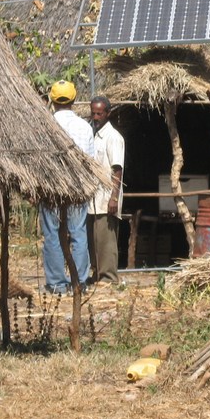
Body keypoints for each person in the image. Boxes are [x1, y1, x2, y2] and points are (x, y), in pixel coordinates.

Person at [40, 80, 94, 294]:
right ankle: (79, 282)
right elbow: (90, 161)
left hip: (51, 187)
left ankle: (56, 284)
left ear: (52, 100)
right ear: (73, 99)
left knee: (52, 234)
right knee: (78, 233)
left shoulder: (44, 126)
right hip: (78, 187)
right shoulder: (85, 127)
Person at [87, 95, 125, 284]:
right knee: (94, 240)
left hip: (106, 198)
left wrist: (114, 197)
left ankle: (109, 278)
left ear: (107, 113)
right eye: (93, 113)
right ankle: (97, 275)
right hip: (93, 198)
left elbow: (117, 169)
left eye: (99, 114)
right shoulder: (94, 135)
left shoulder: (113, 137)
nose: (95, 117)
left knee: (106, 242)